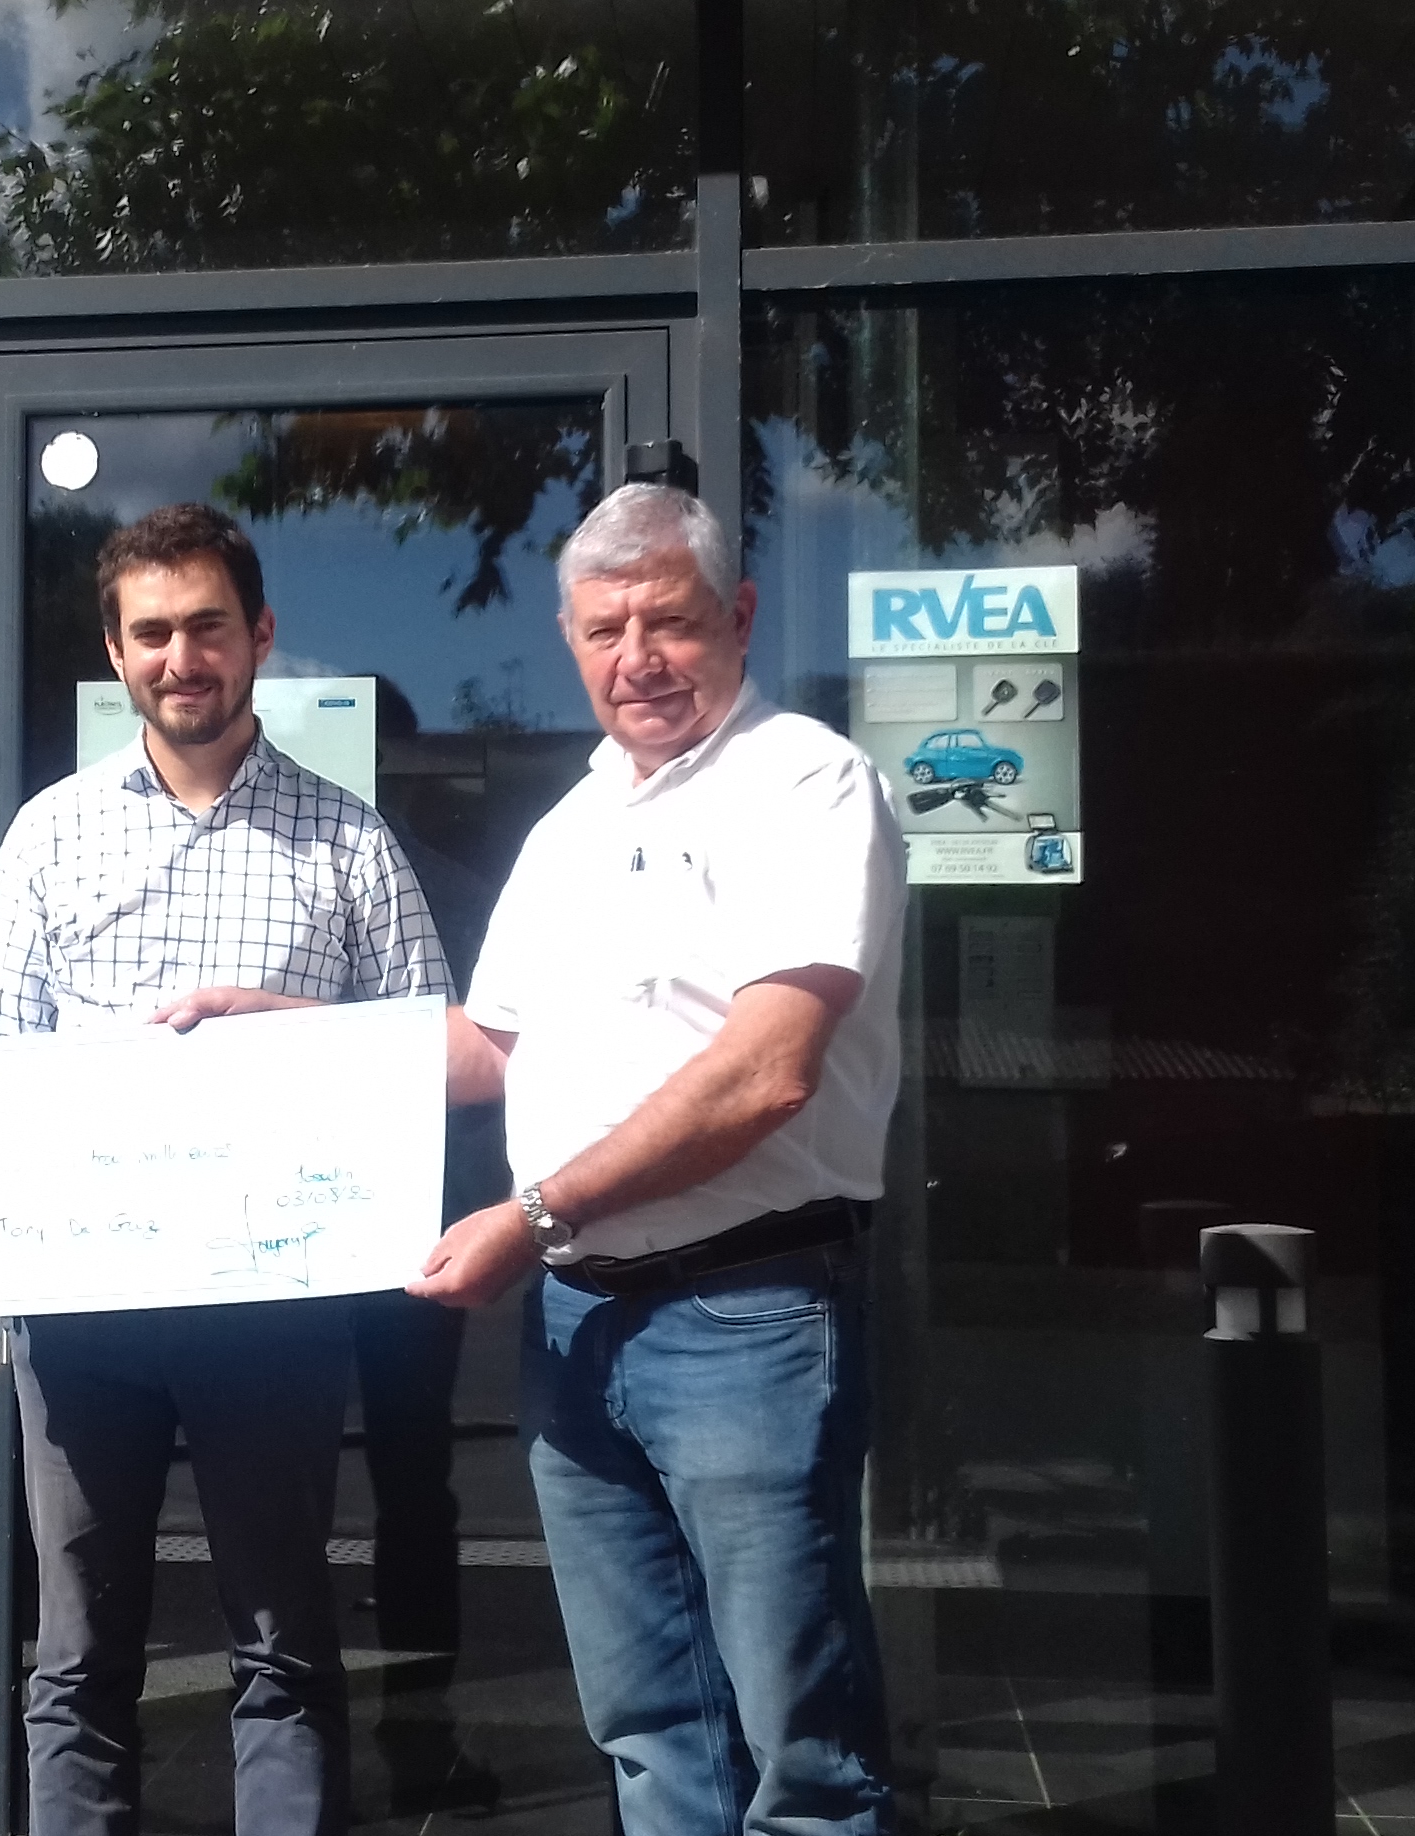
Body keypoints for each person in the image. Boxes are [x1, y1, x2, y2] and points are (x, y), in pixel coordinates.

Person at [0, 502, 448, 1836]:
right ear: (116, 653)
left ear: (259, 635)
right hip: (79, 1320)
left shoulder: (351, 843)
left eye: (208, 626)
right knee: (79, 1658)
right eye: (152, 633)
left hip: (273, 1311)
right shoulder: (48, 837)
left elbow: (431, 1062)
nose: (182, 657)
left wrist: (292, 1029)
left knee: (282, 1648)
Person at [413, 482, 906, 1835]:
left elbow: (767, 1070)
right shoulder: (569, 828)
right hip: (579, 1322)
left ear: (737, 616)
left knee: (804, 1756)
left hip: (748, 1311)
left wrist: (534, 1215)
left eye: (671, 622)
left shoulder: (806, 785)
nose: (638, 658)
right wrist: (279, 1042)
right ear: (571, 641)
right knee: (649, 1732)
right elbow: (489, 1045)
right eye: (605, 629)